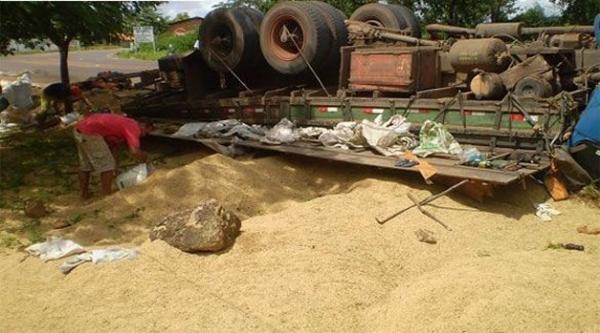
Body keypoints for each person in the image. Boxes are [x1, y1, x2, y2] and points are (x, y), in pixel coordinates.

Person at [74, 113, 151, 199]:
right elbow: (134, 151)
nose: (144, 135)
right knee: (107, 166)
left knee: (86, 165)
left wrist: (116, 167)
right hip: (90, 133)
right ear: (143, 125)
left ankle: (84, 195)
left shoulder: (125, 123)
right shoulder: (134, 127)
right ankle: (107, 197)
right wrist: (145, 158)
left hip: (80, 129)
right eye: (147, 131)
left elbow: (114, 147)